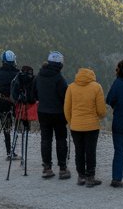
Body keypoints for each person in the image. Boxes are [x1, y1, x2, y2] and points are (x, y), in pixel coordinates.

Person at [63, 65, 107, 187]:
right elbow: (101, 110)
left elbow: (66, 109)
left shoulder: (71, 87)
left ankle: (81, 177)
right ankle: (90, 177)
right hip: (92, 126)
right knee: (90, 151)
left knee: (79, 151)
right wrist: (99, 117)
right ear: (92, 76)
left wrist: (71, 122)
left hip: (76, 126)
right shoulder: (96, 87)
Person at [33, 51, 70, 179]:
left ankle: (47, 168)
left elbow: (34, 94)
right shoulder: (59, 79)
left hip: (43, 112)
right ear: (60, 65)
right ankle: (63, 169)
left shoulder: (39, 76)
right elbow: (65, 97)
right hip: (59, 113)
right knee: (61, 140)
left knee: (46, 140)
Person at [0, 49, 20, 160]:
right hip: (16, 105)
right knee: (16, 126)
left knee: (6, 129)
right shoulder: (18, 73)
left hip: (3, 103)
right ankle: (14, 149)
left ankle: (9, 152)